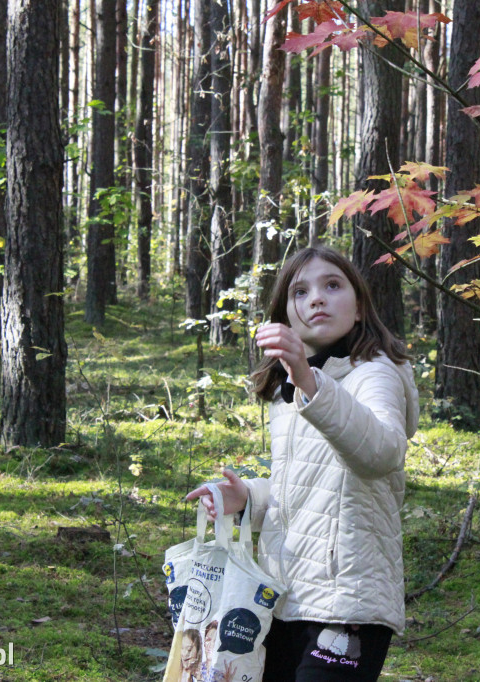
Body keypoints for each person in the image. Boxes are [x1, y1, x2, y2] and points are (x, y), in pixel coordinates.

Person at [187, 246, 419, 682]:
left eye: (333, 285)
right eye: (301, 291)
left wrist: (310, 383)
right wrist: (249, 498)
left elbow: (383, 454)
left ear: (359, 306)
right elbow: (313, 487)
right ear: (285, 316)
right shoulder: (286, 392)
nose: (317, 298)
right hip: (282, 596)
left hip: (348, 600)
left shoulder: (375, 373)